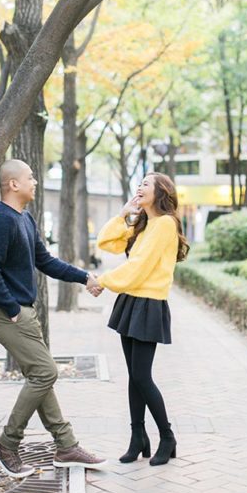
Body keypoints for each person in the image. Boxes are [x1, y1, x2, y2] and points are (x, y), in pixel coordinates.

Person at [0, 158, 106, 477]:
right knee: (46, 372)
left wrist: (84, 277)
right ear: (12, 184)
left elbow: (45, 261)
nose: (35, 181)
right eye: (30, 177)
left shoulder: (25, 218)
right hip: (3, 312)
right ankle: (8, 443)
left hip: (21, 312)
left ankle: (66, 445)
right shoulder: (0, 220)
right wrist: (12, 308)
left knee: (41, 375)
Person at [90, 172, 190, 466]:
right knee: (134, 376)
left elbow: (138, 268)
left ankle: (167, 436)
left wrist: (102, 281)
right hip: (131, 301)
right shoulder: (146, 225)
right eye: (139, 183)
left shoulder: (165, 225)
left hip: (149, 303)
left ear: (161, 192)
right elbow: (106, 243)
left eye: (146, 183)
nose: (139, 187)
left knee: (143, 376)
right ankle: (138, 437)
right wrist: (124, 214)